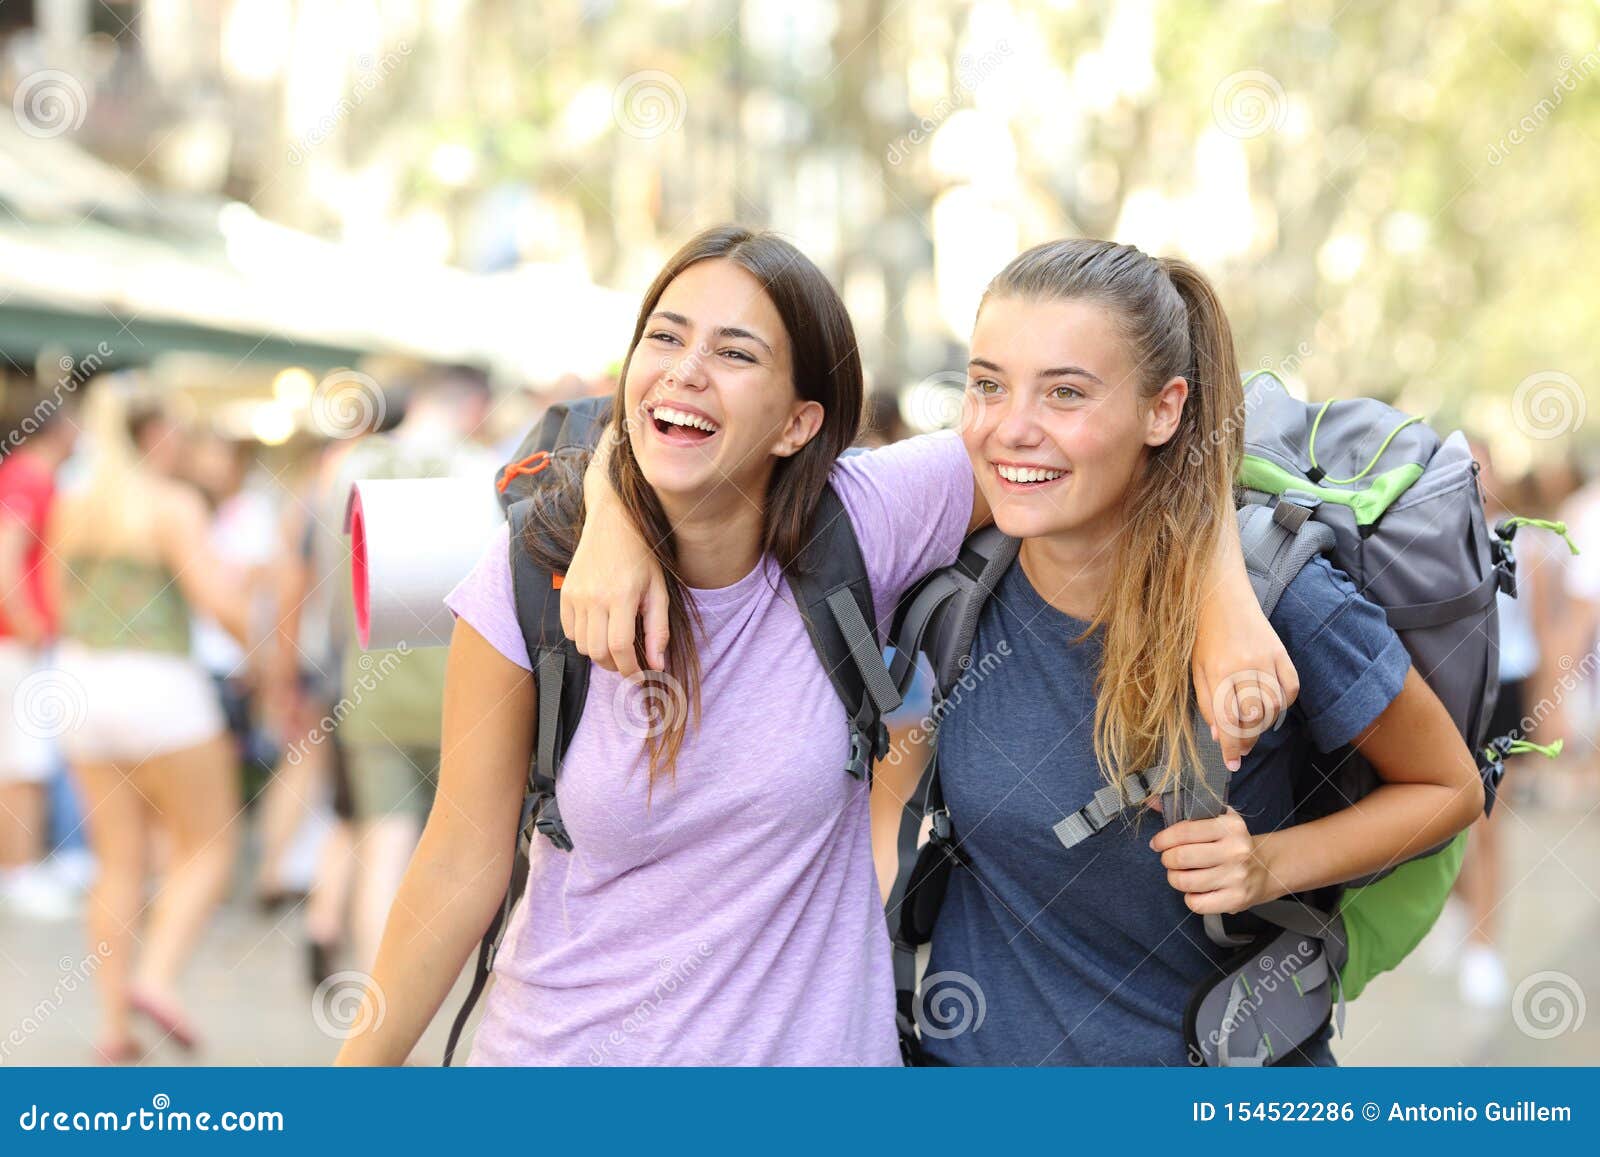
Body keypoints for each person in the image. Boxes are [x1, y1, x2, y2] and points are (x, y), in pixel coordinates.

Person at [336, 225, 1287, 1067]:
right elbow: (458, 866)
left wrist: (1224, 590)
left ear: (801, 425)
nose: (684, 371)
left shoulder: (865, 524)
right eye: (663, 338)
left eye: (735, 352)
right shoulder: (533, 575)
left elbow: (1129, 449)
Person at [912, 239, 1483, 1064]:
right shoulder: (946, 570)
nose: (1012, 427)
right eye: (987, 384)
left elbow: (1447, 787)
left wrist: (1266, 864)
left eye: (1065, 392)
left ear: (1164, 408)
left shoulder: (1284, 596)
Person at [45, 384, 251, 1063]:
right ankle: (158, 978)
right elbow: (217, 600)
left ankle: (114, 1027)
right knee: (210, 841)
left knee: (118, 862)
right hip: (160, 687)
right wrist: (273, 645)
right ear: (154, 433)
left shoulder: (72, 503)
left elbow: (50, 593)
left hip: (81, 683)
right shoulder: (173, 505)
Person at [0, 386, 78, 921]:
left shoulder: (27, 473)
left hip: (21, 639)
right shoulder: (32, 474)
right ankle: (20, 872)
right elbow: (7, 549)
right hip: (18, 642)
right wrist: (25, 617)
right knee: (24, 761)